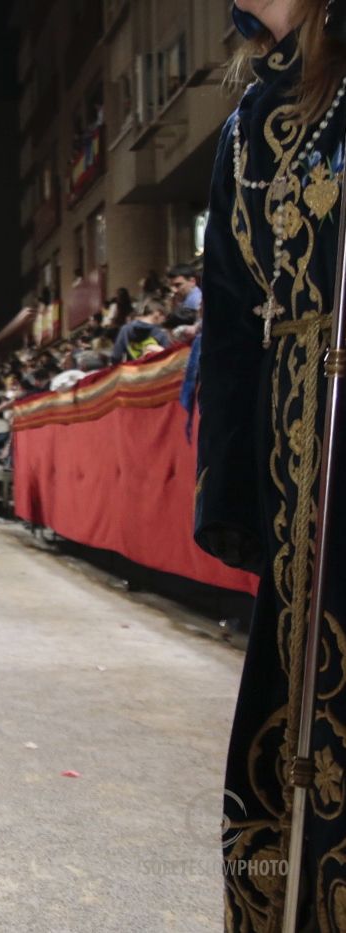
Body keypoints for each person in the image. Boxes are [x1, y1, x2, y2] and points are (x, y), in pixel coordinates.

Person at [197, 5, 346, 927]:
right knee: (297, 685)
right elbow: (225, 310)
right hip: (296, 434)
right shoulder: (246, 124)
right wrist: (233, 483)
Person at [111, 295, 173, 362]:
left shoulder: (125, 329)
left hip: (132, 370)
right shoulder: (161, 334)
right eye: (164, 317)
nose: (164, 321)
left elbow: (116, 356)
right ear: (157, 313)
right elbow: (168, 359)